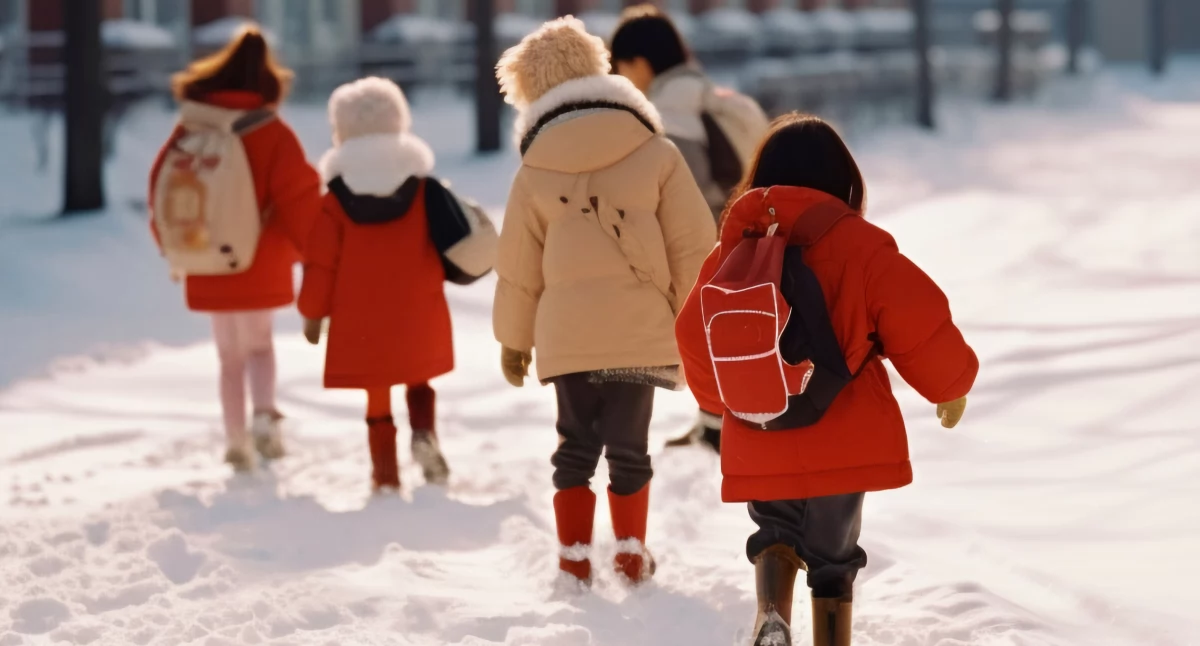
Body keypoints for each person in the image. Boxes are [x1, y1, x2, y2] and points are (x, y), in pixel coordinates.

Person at [674, 114, 978, 646]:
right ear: (844, 180)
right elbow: (916, 316)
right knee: (834, 555)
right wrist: (949, 385)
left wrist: (720, 404)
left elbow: (692, 331)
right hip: (846, 430)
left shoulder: (734, 252)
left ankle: (772, 612)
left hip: (760, 423)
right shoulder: (861, 246)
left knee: (773, 532)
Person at [493, 17, 716, 588]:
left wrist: (515, 339)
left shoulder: (533, 166)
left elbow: (518, 266)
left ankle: (572, 558)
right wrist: (698, 321)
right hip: (639, 329)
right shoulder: (655, 149)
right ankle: (631, 553)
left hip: (568, 335)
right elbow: (692, 243)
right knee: (629, 447)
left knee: (574, 446)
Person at [148, 27, 321, 472]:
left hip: (204, 256)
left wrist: (174, 247)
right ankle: (264, 418)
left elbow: (161, 191)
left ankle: (235, 441)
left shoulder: (192, 125)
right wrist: (313, 255)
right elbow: (299, 199)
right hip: (262, 259)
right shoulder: (271, 131)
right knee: (260, 347)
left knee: (228, 357)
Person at [610, 4, 768, 455]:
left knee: (704, 336)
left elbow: (685, 184)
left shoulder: (668, 109)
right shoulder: (719, 96)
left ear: (639, 63)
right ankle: (715, 421)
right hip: (748, 236)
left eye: (621, 66)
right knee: (725, 335)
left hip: (711, 240)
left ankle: (719, 427)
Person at [297, 77, 456, 491]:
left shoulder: (334, 199)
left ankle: (384, 475)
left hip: (361, 315)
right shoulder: (421, 187)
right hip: (418, 305)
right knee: (418, 374)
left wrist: (313, 312)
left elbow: (321, 263)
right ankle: (424, 434)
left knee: (377, 387)